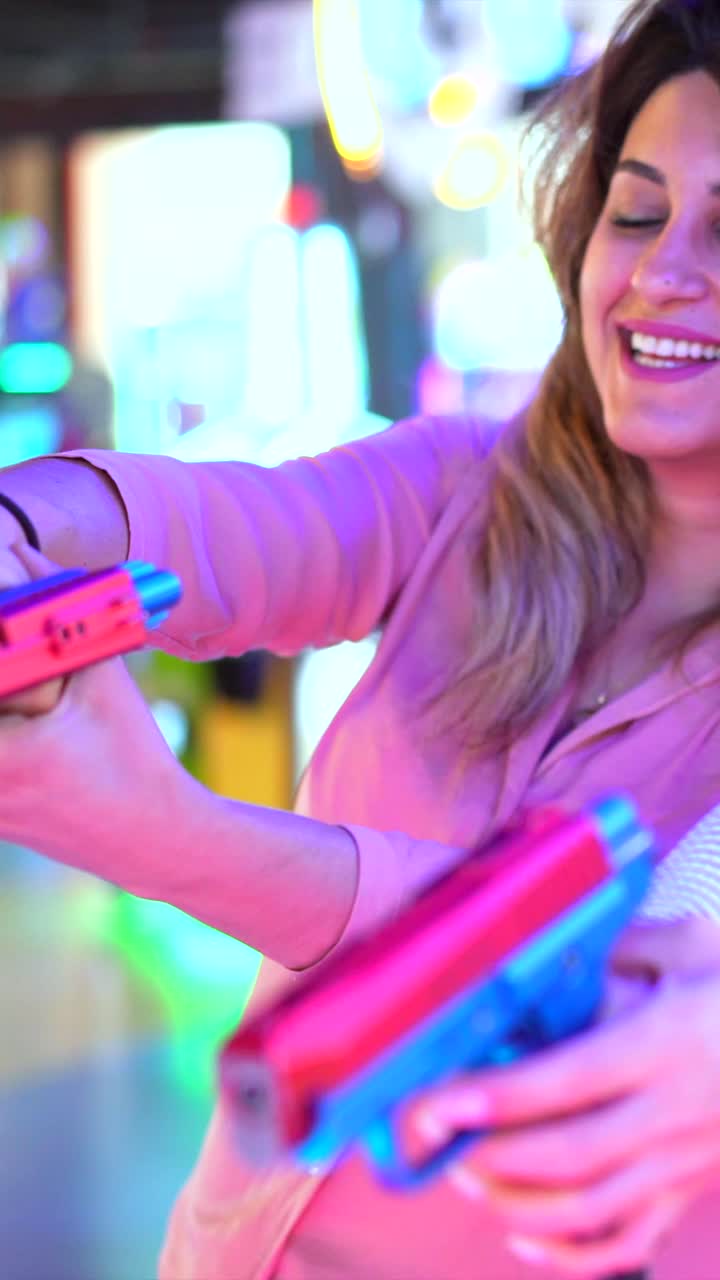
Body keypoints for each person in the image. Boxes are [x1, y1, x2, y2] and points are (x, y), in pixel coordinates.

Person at [2, 0, 720, 1275]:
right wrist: (23, 528)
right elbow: (220, 524)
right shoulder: (469, 491)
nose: (664, 272)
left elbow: (574, 960)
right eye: (639, 211)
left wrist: (169, 833)